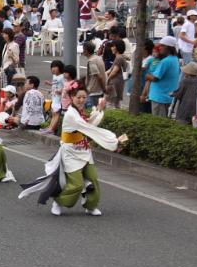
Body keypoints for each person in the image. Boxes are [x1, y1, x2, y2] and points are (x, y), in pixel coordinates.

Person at [19, 80, 121, 216]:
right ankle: (59, 201)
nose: (81, 100)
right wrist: (113, 141)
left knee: (94, 179)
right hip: (70, 153)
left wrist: (100, 109)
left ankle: (90, 206)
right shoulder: (71, 114)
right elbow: (88, 127)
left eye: (84, 97)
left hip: (84, 151)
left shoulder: (80, 111)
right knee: (77, 184)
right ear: (72, 97)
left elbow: (89, 124)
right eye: (78, 97)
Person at [146, 35, 181, 117]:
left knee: (158, 123)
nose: (159, 48)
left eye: (162, 46)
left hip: (160, 98)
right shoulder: (175, 59)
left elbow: (155, 78)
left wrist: (146, 75)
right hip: (167, 97)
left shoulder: (165, 61)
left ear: (169, 47)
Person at [42, 60, 65, 134]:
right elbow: (55, 84)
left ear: (60, 68)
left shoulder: (62, 77)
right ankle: (50, 128)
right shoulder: (55, 76)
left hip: (59, 98)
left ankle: (52, 129)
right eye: (52, 67)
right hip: (54, 97)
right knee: (54, 113)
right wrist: (50, 86)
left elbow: (65, 86)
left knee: (56, 113)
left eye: (55, 67)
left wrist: (60, 91)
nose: (53, 69)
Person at [105, 40, 128, 109]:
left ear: (117, 47)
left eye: (113, 46)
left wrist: (107, 80)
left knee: (110, 104)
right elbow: (111, 70)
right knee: (116, 103)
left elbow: (114, 71)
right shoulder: (121, 57)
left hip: (114, 83)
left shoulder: (118, 58)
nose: (111, 48)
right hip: (119, 82)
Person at [84, 41, 107, 109]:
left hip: (93, 91)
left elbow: (99, 77)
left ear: (86, 50)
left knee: (92, 113)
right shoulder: (98, 58)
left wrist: (104, 89)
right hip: (99, 91)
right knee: (98, 111)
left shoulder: (92, 61)